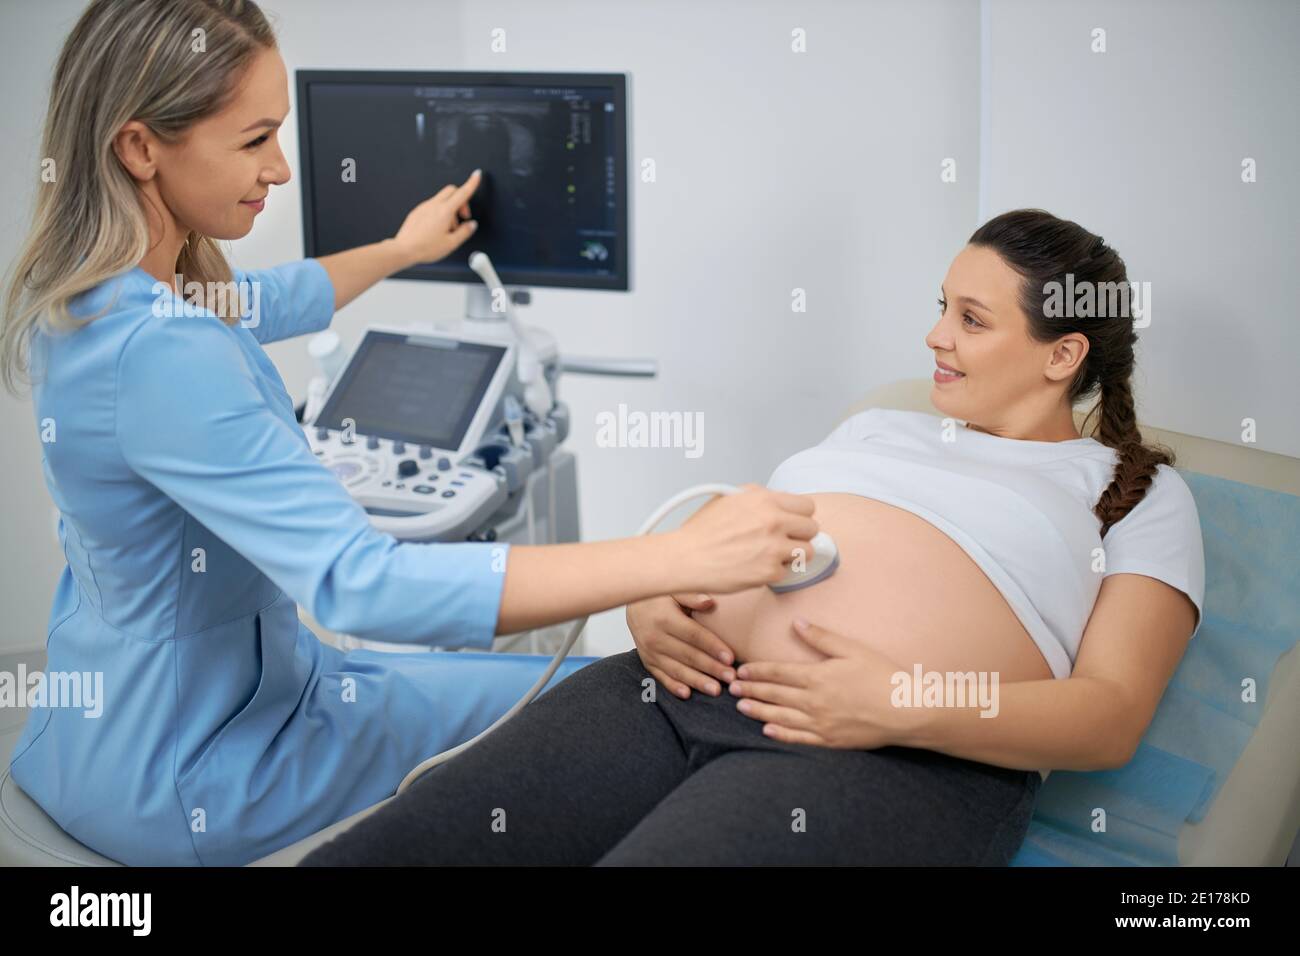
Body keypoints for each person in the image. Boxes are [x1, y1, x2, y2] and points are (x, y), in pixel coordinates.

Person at [0, 0, 819, 866]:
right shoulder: (166, 355)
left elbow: (273, 298)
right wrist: (672, 559)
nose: (278, 168)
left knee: (581, 693)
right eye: (253, 140)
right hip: (203, 771)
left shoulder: (91, 302)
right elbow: (363, 585)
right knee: (617, 707)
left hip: (96, 739)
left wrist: (401, 247)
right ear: (139, 146)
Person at [298, 209, 1204, 866]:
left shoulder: (1134, 492)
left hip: (893, 754)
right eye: (941, 306)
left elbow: (1109, 713)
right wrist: (654, 598)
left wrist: (897, 703)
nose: (934, 336)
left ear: (1062, 354)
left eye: (972, 320)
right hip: (669, 692)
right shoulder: (881, 425)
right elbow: (725, 533)